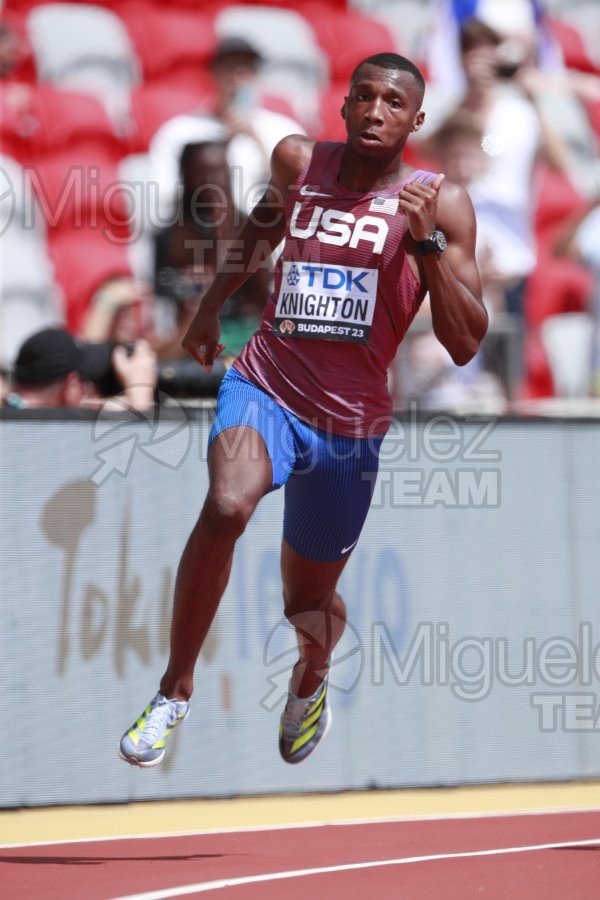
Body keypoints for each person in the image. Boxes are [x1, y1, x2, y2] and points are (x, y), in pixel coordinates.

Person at [118, 52, 488, 768]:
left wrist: (427, 248)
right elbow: (263, 225)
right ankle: (174, 690)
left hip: (348, 427)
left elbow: (467, 342)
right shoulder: (297, 161)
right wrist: (210, 308)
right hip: (268, 382)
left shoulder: (438, 204)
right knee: (227, 506)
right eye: (364, 97)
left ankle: (311, 677)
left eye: (394, 102)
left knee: (307, 609)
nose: (376, 111)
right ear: (345, 106)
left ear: (416, 120)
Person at [150, 36, 305, 223]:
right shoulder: (180, 131)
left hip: (269, 236)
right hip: (204, 236)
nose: (237, 79)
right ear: (213, 75)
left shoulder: (284, 132)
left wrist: (257, 142)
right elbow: (165, 195)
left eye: (246, 69)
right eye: (229, 69)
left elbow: (302, 194)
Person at [3, 326, 157, 411]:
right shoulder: (33, 432)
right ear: (71, 384)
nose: (92, 394)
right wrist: (140, 400)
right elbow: (140, 466)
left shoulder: (11, 413)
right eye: (87, 384)